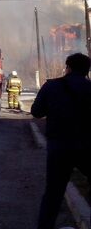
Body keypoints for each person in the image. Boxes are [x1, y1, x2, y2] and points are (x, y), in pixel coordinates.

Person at [32, 53, 91, 229]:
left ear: (68, 67)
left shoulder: (52, 86)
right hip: (86, 147)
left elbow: (36, 111)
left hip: (59, 147)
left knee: (53, 193)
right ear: (87, 70)